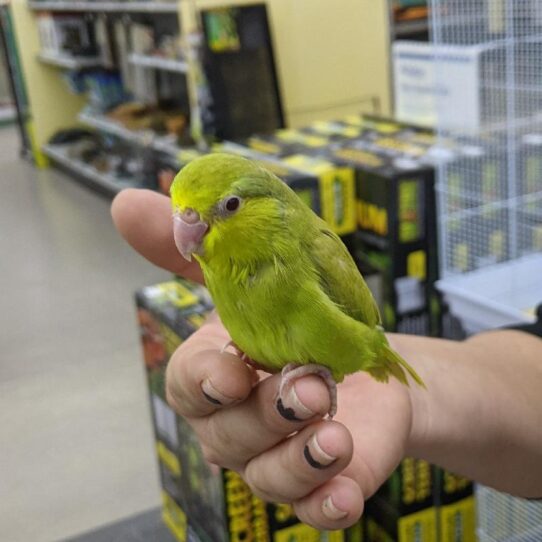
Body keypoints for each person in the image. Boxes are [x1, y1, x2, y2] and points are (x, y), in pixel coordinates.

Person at [111, 188, 542, 530]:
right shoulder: (216, 264)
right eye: (185, 212)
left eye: (229, 205)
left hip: (360, 346)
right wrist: (418, 400)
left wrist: (355, 363)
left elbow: (365, 324)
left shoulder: (313, 250)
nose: (194, 226)